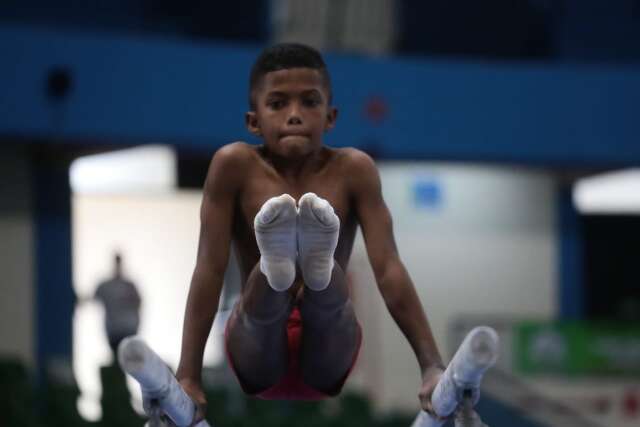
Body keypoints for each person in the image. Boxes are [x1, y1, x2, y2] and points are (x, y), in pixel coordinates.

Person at [175, 43, 445, 421]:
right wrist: (188, 376)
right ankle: (277, 270)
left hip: (327, 351)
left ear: (330, 116)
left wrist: (432, 365)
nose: (295, 115)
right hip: (257, 349)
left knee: (331, 298)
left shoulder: (354, 169)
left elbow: (389, 269)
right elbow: (209, 268)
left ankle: (313, 270)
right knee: (262, 299)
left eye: (309, 102)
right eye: (278, 103)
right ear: (253, 121)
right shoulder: (233, 165)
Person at [94, 252, 141, 356]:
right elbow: (93, 298)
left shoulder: (129, 286)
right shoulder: (106, 285)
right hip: (114, 330)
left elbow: (138, 303)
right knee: (117, 357)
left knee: (127, 359)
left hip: (128, 329)